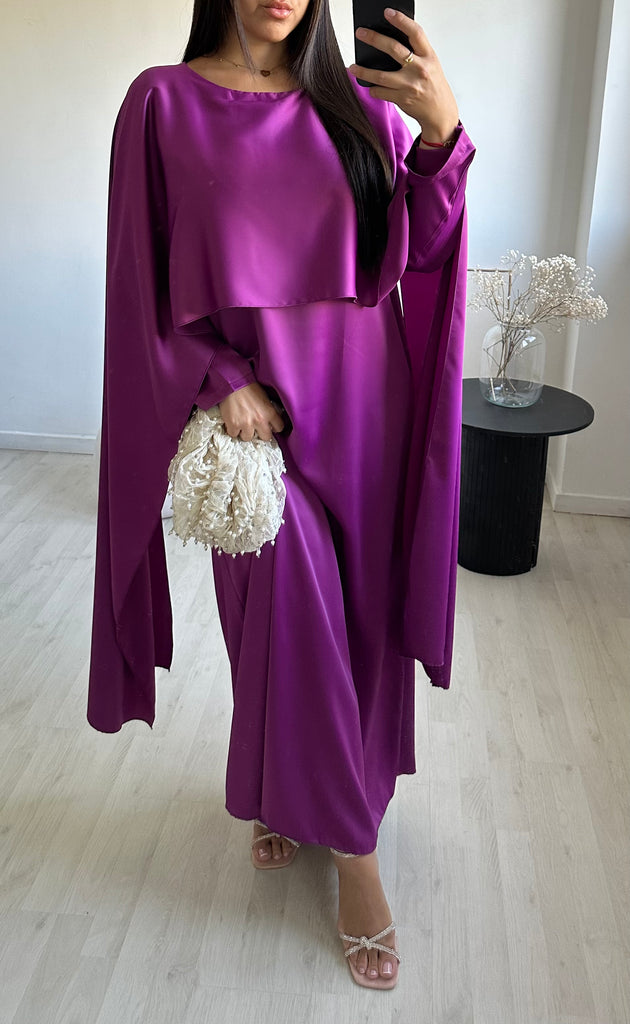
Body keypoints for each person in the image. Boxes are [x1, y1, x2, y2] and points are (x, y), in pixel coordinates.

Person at [87, 0, 475, 991]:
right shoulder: (160, 106)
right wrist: (221, 381)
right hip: (256, 425)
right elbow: (141, 283)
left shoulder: (361, 110)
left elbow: (422, 251)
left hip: (368, 407)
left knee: (359, 633)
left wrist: (441, 136)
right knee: (286, 619)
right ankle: (357, 858)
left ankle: (283, 791)